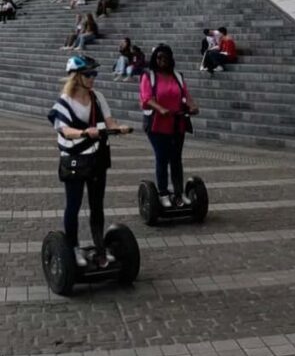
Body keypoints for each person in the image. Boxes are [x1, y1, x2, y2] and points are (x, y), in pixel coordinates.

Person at [47, 55, 131, 268]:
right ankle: (73, 248)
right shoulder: (64, 102)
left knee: (97, 205)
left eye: (94, 74)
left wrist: (118, 128)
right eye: (88, 74)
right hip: (74, 160)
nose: (93, 78)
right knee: (73, 205)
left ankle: (100, 247)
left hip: (97, 158)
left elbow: (109, 121)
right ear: (76, 76)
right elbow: (64, 130)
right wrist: (84, 132)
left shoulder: (97, 97)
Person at [140, 44, 199, 208]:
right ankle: (163, 193)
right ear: (154, 59)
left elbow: (185, 95)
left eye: (165, 58)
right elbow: (146, 99)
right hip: (157, 124)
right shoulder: (149, 76)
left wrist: (193, 106)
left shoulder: (177, 76)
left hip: (177, 123)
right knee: (162, 158)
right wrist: (160, 108)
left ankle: (179, 193)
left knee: (176, 159)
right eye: (159, 58)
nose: (162, 61)